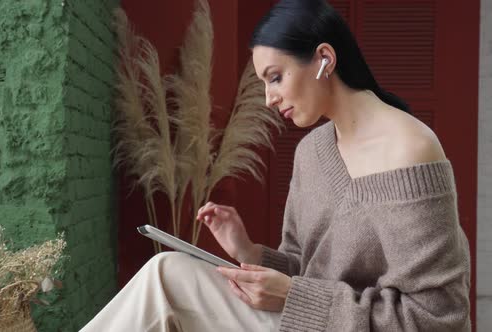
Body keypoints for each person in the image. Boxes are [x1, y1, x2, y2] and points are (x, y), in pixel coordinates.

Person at [80, 0, 471, 331]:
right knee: (165, 274)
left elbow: (439, 317)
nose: (269, 98)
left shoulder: (410, 149)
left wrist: (294, 297)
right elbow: (304, 268)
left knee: (167, 277)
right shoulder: (313, 151)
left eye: (276, 77)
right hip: (302, 321)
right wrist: (249, 252)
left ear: (324, 59)